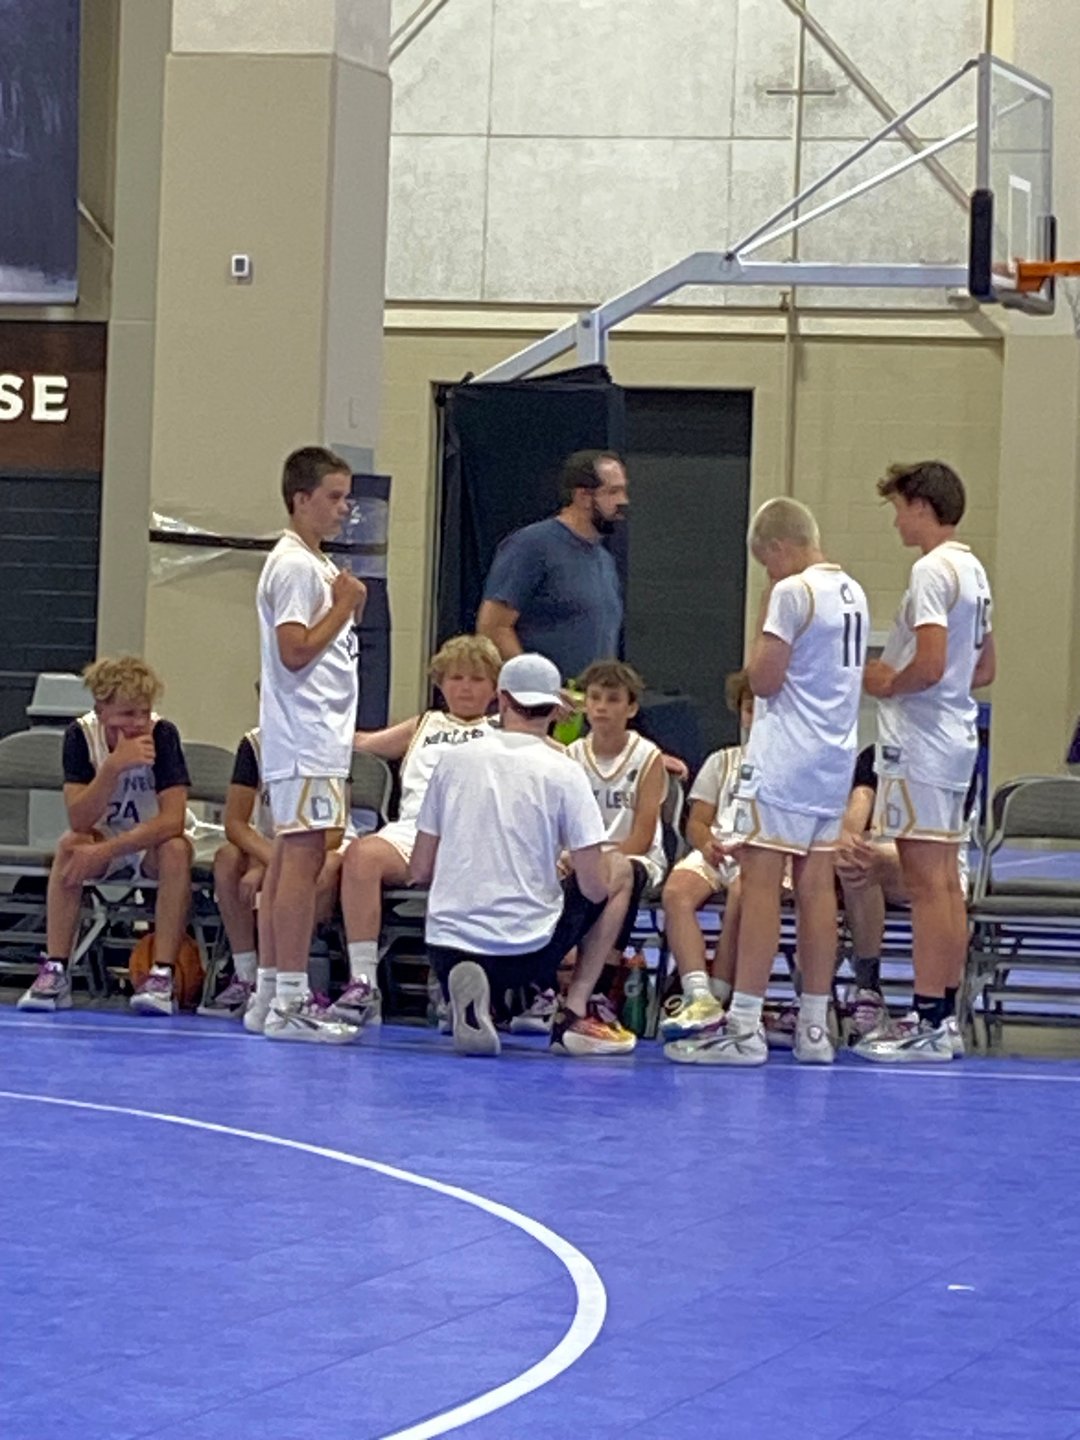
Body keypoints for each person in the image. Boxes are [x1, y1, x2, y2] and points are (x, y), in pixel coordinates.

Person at [667, 498, 868, 1068]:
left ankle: (745, 1026)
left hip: (785, 759)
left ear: (778, 548)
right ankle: (814, 1028)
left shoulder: (791, 592)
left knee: (759, 885)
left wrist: (764, 616)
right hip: (832, 757)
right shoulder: (852, 590)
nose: (768, 574)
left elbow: (763, 679)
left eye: (766, 563)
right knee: (816, 888)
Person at [410, 652, 638, 1058]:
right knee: (619, 870)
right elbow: (592, 886)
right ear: (556, 708)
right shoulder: (566, 771)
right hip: (526, 954)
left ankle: (468, 995)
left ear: (500, 699)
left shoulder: (451, 761)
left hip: (444, 947)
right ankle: (573, 1011)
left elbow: (420, 869)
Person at [856, 460, 994, 1063]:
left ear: (920, 505)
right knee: (945, 883)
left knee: (926, 884)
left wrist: (889, 682)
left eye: (898, 509)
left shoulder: (932, 570)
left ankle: (928, 1018)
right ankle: (944, 1016)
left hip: (922, 741)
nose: (895, 523)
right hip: (955, 735)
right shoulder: (975, 570)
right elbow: (983, 667)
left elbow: (933, 663)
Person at [246, 445, 367, 1044]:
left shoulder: (314, 564)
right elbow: (294, 651)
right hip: (305, 734)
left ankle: (270, 990)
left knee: (293, 856)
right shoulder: (295, 567)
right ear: (301, 499)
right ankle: (291, 999)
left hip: (317, 735)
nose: (345, 508)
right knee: (300, 858)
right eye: (334, 497)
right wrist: (344, 607)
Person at [336, 633, 501, 1025]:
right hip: (412, 830)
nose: (465, 687)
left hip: (474, 836)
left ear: (495, 688)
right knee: (361, 856)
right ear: (440, 683)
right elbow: (360, 743)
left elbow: (564, 755)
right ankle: (364, 982)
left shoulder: (505, 729)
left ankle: (452, 982)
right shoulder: (423, 724)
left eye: (477, 679)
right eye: (456, 678)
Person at [18, 656, 193, 1016]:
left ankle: (162, 975)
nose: (138, 723)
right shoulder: (80, 736)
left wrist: (107, 851)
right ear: (100, 710)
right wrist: (113, 767)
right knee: (70, 845)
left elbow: (172, 820)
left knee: (176, 850)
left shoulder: (163, 735)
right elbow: (80, 818)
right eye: (127, 714)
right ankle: (56, 969)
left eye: (144, 712)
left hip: (151, 838)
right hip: (105, 833)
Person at [200, 726, 348, 1018]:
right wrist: (271, 862)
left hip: (317, 846)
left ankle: (291, 979)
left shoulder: (327, 742)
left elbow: (334, 833)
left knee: (321, 867)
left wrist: (276, 868)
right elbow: (235, 824)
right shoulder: (255, 744)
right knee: (227, 859)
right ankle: (246, 976)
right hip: (268, 845)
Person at [835, 744, 975, 1053]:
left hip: (937, 871)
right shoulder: (879, 755)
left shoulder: (939, 758)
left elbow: (933, 854)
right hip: (883, 862)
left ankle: (933, 1016)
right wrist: (849, 842)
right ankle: (869, 991)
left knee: (884, 867)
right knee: (856, 863)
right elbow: (857, 810)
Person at [658, 669, 753, 1042]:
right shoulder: (721, 761)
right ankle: (697, 993)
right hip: (719, 850)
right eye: (749, 708)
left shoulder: (793, 765)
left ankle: (721, 991)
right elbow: (697, 822)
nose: (755, 716)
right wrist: (707, 844)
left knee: (745, 893)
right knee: (675, 892)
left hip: (766, 856)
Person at [477, 450, 628, 683]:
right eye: (613, 492)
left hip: (589, 699)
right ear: (583, 496)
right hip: (543, 700)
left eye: (623, 491)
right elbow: (493, 627)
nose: (623, 501)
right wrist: (540, 686)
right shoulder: (532, 546)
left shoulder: (603, 559)